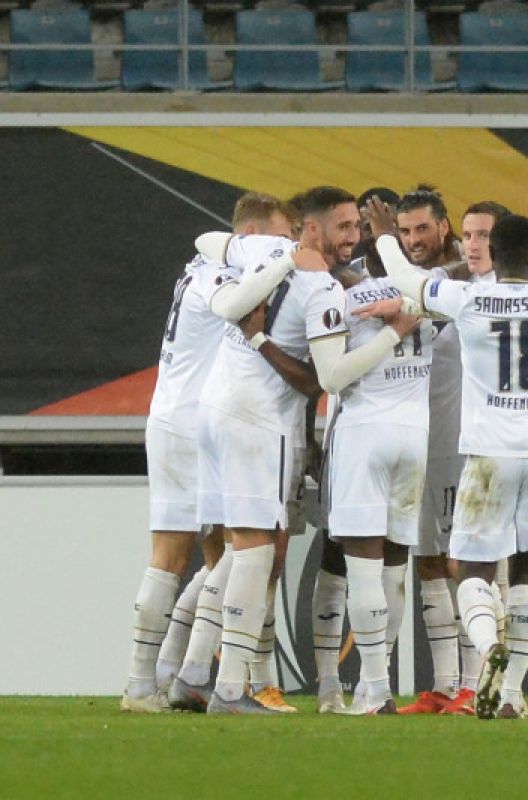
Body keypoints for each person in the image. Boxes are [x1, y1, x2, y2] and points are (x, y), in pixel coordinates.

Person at [363, 178, 528, 720]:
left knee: (470, 572)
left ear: (491, 254)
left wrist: (387, 236)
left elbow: (408, 281)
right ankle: (511, 697)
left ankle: (488, 652)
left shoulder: (470, 299)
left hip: (487, 456)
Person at [186, 186, 413, 714]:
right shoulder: (320, 291)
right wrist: (393, 335)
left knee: (247, 547)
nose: (352, 237)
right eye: (342, 227)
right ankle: (229, 689)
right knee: (256, 549)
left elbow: (208, 238)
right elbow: (326, 380)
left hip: (218, 406)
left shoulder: (264, 249)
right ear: (309, 230)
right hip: (257, 421)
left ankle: (197, 671)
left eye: (357, 227)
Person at [121, 193, 293, 712]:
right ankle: (174, 676)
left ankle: (157, 679)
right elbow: (231, 307)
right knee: (223, 552)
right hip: (195, 424)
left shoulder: (199, 264)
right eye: (279, 237)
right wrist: (289, 258)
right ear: (252, 236)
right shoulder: (217, 275)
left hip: (171, 416)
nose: (282, 247)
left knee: (189, 556)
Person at [322, 192, 428, 715]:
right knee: (394, 567)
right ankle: (374, 684)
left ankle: (374, 688)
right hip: (417, 437)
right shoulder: (428, 291)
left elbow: (331, 373)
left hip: (366, 429)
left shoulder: (341, 293)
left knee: (362, 568)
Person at [387, 185, 474, 715]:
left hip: (461, 443)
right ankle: (446, 685)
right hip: (418, 441)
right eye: (404, 232)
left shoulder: (473, 280)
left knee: (465, 560)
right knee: (427, 560)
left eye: (423, 229)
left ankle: (480, 680)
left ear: (445, 228)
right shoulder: (411, 283)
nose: (414, 240)